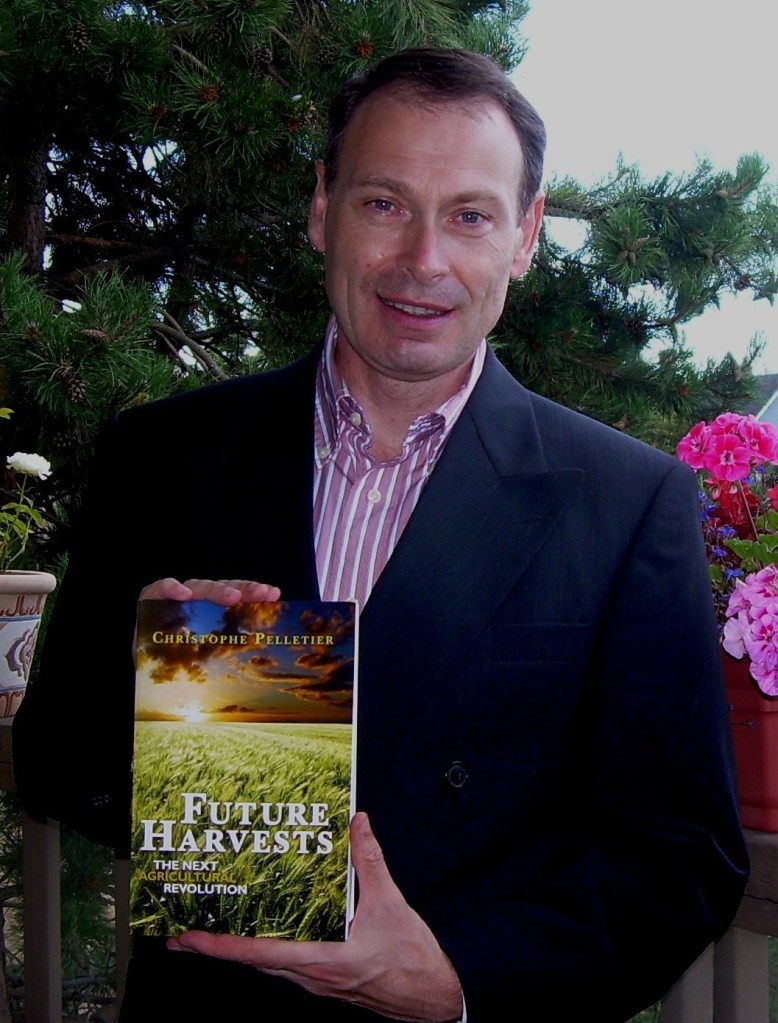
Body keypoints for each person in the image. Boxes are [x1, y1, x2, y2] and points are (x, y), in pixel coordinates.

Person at [13, 48, 748, 1023]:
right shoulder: (166, 455)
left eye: (470, 216)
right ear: (323, 207)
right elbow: (57, 766)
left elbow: (683, 856)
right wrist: (155, 689)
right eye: (384, 203)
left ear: (525, 236)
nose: (423, 261)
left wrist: (459, 981)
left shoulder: (624, 503)